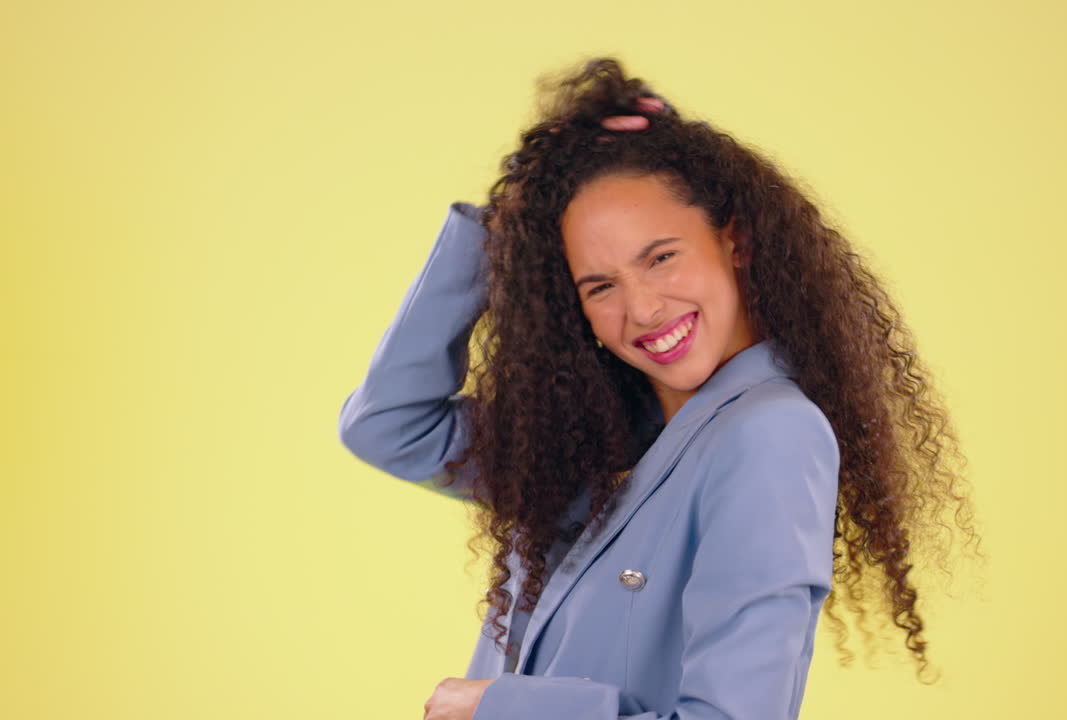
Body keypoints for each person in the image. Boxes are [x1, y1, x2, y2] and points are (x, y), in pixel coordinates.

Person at [337, 57, 979, 720]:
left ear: (736, 242)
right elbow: (388, 425)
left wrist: (501, 706)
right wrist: (505, 222)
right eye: (600, 286)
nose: (642, 308)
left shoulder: (770, 436)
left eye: (661, 257)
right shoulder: (600, 438)